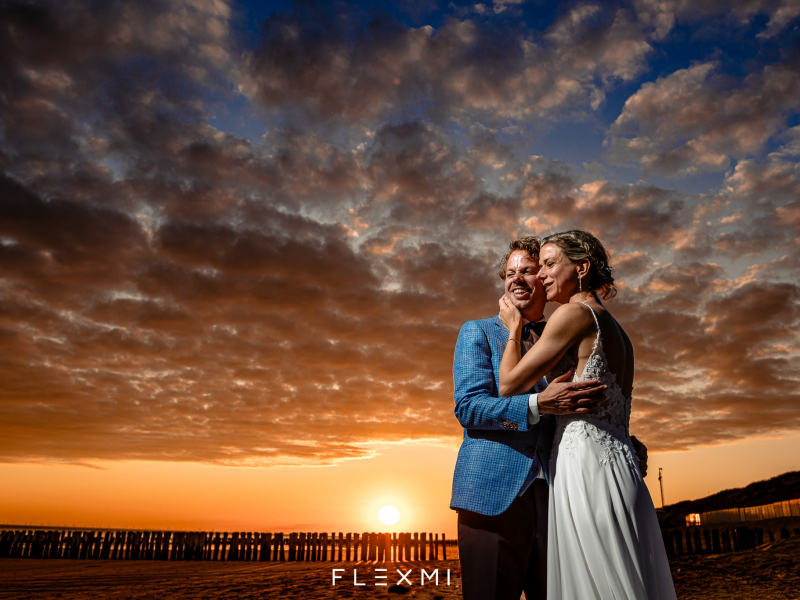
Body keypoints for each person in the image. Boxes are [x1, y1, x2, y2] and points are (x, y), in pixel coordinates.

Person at [498, 230, 676, 600]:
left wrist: (514, 329)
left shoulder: (574, 313)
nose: (542, 274)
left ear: (581, 268)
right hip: (619, 463)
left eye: (550, 264)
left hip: (586, 467)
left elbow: (508, 385)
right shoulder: (615, 328)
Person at [451, 235, 612, 600]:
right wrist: (538, 404)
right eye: (509, 274)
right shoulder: (477, 332)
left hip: (561, 498)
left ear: (545, 276)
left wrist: (622, 441)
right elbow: (469, 408)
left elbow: (583, 408)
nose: (517, 279)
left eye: (527, 270)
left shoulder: (569, 335)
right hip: (492, 494)